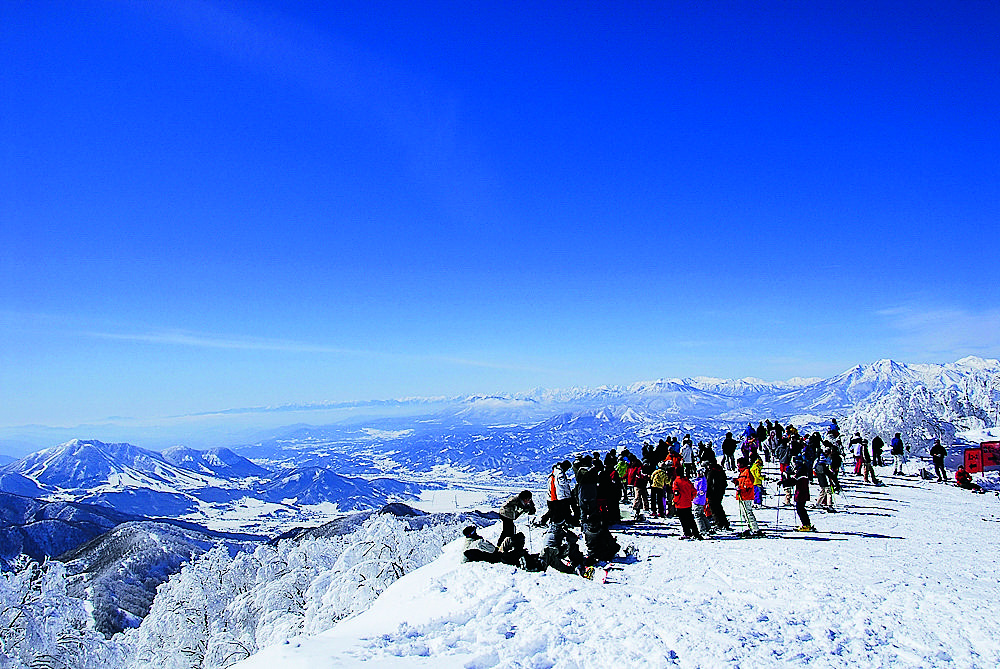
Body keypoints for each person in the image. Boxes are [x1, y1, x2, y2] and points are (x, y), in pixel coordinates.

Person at [735, 457, 762, 537]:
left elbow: (749, 483)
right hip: (743, 496)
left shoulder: (746, 472)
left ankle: (755, 529)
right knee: (744, 513)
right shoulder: (742, 472)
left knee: (748, 512)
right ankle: (750, 528)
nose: (737, 465)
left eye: (738, 463)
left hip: (746, 495)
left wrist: (741, 488)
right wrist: (737, 481)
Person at [672, 469, 702, 539]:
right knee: (690, 519)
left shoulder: (676, 481)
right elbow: (694, 491)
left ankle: (687, 533)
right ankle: (696, 533)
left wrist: (675, 501)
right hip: (688, 503)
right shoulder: (687, 481)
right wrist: (690, 498)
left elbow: (676, 493)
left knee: (683, 520)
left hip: (680, 504)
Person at [705, 456, 731, 531]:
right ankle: (724, 523)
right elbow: (725, 482)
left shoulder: (711, 472)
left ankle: (719, 524)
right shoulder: (720, 470)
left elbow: (709, 483)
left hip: (712, 493)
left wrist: (707, 493)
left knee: (714, 509)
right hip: (720, 492)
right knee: (719, 508)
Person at [793, 458, 815, 531]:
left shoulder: (800, 474)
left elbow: (792, 481)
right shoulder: (803, 473)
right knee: (801, 509)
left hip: (801, 494)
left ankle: (806, 525)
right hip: (803, 494)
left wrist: (784, 482)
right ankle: (806, 524)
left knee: (800, 509)